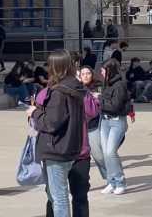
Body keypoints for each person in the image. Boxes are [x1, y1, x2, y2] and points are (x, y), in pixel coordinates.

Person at [27, 49, 85, 217]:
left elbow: (52, 123)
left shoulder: (59, 91)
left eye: (49, 65)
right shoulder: (75, 87)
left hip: (56, 149)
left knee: (58, 197)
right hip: (69, 146)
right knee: (57, 196)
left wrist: (34, 112)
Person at [45, 65, 97, 217]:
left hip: (75, 153)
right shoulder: (50, 92)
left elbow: (92, 113)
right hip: (61, 153)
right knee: (56, 197)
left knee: (72, 197)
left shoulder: (84, 94)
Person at [99, 58, 130, 195]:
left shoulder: (120, 85)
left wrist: (99, 100)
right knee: (105, 153)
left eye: (103, 70)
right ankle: (111, 182)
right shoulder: (106, 84)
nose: (101, 72)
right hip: (105, 121)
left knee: (111, 152)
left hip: (117, 121)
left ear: (109, 71)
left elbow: (115, 106)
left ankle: (120, 181)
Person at [81, 66, 106, 183]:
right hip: (79, 127)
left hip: (93, 125)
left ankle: (111, 177)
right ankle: (82, 182)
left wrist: (99, 97)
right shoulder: (76, 88)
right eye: (83, 74)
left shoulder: (98, 86)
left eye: (88, 73)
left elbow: (104, 102)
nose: (85, 76)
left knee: (98, 155)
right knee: (80, 159)